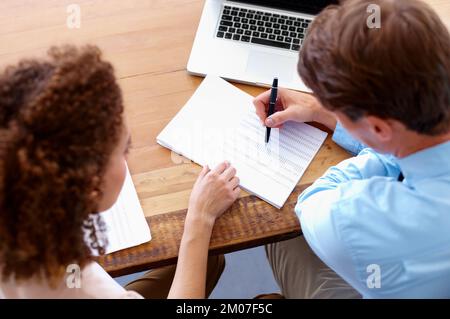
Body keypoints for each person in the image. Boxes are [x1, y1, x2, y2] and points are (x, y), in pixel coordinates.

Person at [0, 45, 240, 298]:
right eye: (124, 149)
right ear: (89, 183)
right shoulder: (81, 286)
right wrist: (200, 218)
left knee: (212, 260)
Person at [253, 0, 450, 298]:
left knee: (275, 231)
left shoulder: (350, 216)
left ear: (380, 129)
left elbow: (313, 201)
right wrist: (325, 112)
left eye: (337, 110)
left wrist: (386, 152)